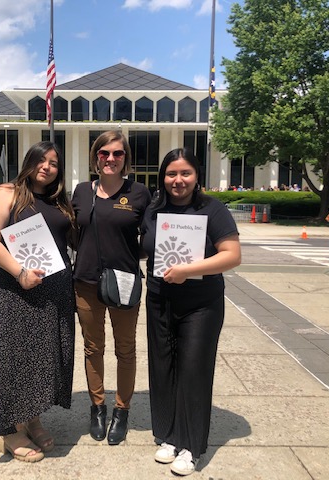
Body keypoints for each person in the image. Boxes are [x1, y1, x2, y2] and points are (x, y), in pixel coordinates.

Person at [140, 148, 241, 476]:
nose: (178, 180)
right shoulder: (155, 209)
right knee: (163, 367)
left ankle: (191, 445)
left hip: (201, 303)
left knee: (193, 371)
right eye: (171, 174)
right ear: (163, 177)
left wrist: (189, 269)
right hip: (159, 299)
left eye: (185, 173)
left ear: (197, 176)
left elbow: (232, 255)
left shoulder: (213, 210)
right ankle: (168, 435)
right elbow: (141, 245)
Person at [0, 141, 75, 463]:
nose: (47, 167)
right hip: (16, 289)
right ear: (29, 161)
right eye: (42, 160)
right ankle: (8, 430)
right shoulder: (8, 192)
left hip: (55, 291)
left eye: (54, 163)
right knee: (15, 355)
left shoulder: (58, 199)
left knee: (44, 357)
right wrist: (20, 272)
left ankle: (32, 417)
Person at [72, 130, 151, 445]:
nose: (110, 159)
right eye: (104, 153)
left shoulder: (140, 193)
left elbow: (151, 240)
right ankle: (98, 407)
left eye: (117, 153)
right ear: (95, 157)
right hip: (86, 283)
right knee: (93, 348)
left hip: (124, 284)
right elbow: (68, 233)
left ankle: (122, 410)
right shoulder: (80, 192)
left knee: (125, 350)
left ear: (126, 159)